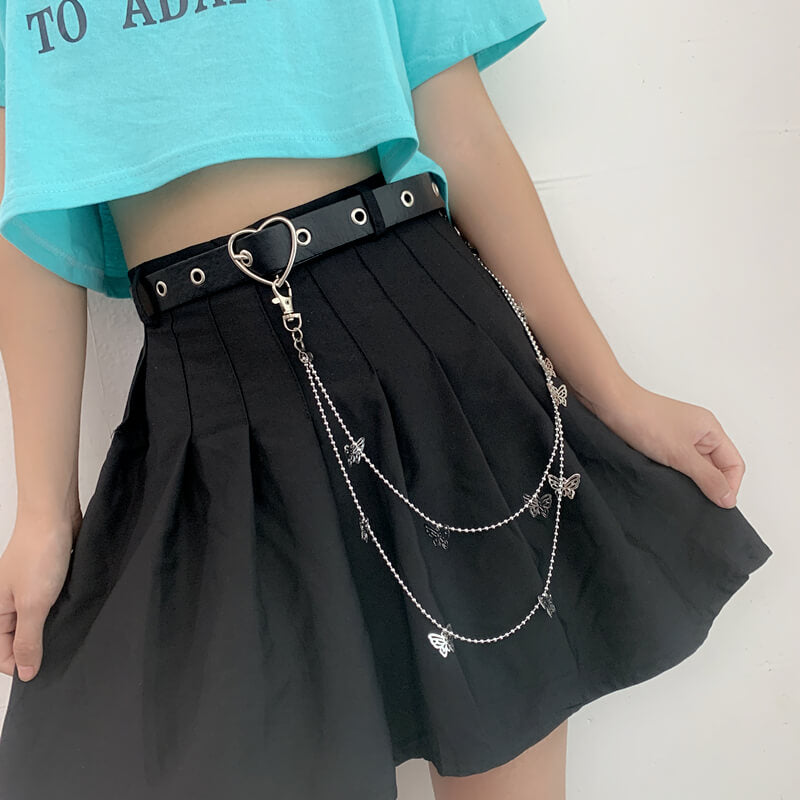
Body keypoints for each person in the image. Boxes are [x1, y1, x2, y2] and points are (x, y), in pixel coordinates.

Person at [0, 2, 772, 799]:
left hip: (423, 340)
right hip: (213, 401)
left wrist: (616, 393)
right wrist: (43, 514)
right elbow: (21, 211)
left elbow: (461, 129)